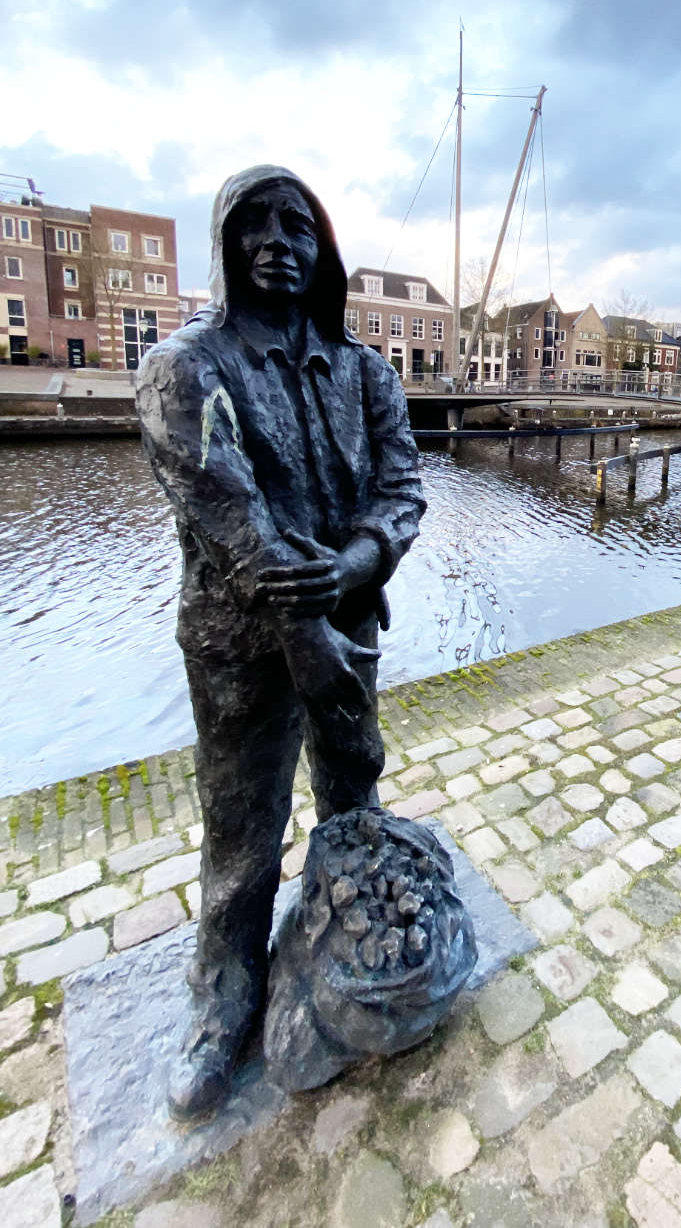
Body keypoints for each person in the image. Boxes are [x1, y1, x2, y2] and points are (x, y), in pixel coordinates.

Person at [136, 166, 425, 1119]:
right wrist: (300, 622)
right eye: (253, 224)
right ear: (223, 246)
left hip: (349, 624)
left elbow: (402, 490)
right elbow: (231, 513)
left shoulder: (365, 371)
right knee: (243, 834)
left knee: (354, 790)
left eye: (297, 225)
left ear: (325, 248)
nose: (277, 241)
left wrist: (351, 570)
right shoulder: (185, 368)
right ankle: (225, 998)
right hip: (238, 646)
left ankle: (356, 940)